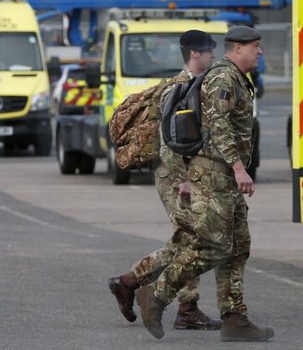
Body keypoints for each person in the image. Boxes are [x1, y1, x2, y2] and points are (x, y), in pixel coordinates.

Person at [136, 26, 273, 342]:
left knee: (238, 246)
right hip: (212, 174)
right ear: (237, 48)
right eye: (255, 46)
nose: (260, 52)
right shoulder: (223, 79)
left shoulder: (236, 79)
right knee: (214, 246)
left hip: (222, 175)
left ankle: (235, 318)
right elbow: (219, 125)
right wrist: (240, 169)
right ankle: (155, 295)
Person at [107, 30, 219, 330]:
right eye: (209, 51)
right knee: (191, 239)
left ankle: (130, 283)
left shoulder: (195, 84)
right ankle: (184, 308)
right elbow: (168, 139)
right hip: (174, 175)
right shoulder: (179, 88)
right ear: (194, 54)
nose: (212, 56)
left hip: (185, 173)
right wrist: (182, 178)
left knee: (187, 239)